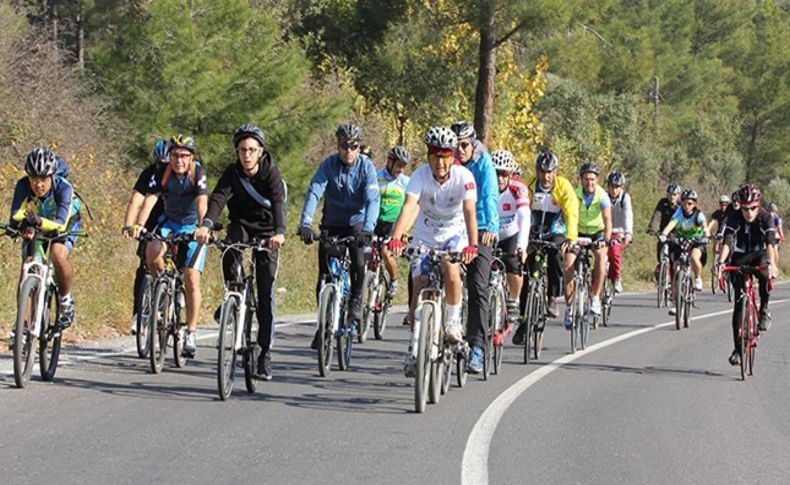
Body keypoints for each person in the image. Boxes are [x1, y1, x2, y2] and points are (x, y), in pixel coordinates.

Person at [195, 124, 286, 380]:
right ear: (237, 151)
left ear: (260, 151)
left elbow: (279, 202)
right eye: (243, 150)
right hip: (242, 225)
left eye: (252, 150)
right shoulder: (232, 172)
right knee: (229, 248)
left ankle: (265, 353)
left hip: (268, 232)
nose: (247, 155)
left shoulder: (271, 173)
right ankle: (232, 294)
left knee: (266, 290)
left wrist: (279, 232)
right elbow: (218, 198)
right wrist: (205, 224)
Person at [386, 126, 478, 377]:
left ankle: (451, 323)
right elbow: (409, 207)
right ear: (428, 156)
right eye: (435, 156)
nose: (440, 162)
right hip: (425, 234)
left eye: (445, 156)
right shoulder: (419, 175)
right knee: (419, 281)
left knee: (451, 268)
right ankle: (415, 348)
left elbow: (470, 211)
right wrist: (395, 239)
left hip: (454, 234)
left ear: (452, 157)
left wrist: (472, 245)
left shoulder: (464, 177)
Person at [298, 122, 380, 349]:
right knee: (323, 274)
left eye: (354, 146)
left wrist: (368, 229)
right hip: (332, 222)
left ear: (359, 147)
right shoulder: (328, 165)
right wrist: (305, 223)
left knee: (358, 260)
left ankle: (355, 302)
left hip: (357, 222)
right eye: (344, 146)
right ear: (338, 146)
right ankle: (322, 324)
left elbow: (373, 199)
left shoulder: (366, 167)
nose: (349, 151)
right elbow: (315, 191)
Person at [134, 134, 208, 359]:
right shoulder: (163, 173)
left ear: (191, 157)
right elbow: (150, 200)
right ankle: (162, 286)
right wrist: (138, 225)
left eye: (184, 156)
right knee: (151, 252)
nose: (179, 160)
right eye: (175, 155)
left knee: (191, 278)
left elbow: (202, 202)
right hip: (169, 224)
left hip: (192, 227)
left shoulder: (198, 173)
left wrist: (203, 227)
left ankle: (191, 332)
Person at [9, 147, 82, 329]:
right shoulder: (23, 185)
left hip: (65, 221)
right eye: (34, 178)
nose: (38, 184)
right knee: (28, 261)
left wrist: (38, 221)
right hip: (39, 221)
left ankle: (65, 301)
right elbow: (16, 214)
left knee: (58, 254)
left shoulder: (64, 187)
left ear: (52, 177)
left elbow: (60, 224)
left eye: (43, 179)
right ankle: (23, 325)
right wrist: (23, 224)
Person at [513, 150, 579, 344]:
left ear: (555, 171)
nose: (546, 176)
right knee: (526, 270)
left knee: (556, 254)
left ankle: (551, 297)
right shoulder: (530, 186)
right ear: (537, 171)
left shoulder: (563, 187)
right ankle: (524, 322)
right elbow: (521, 211)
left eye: (550, 172)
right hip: (534, 231)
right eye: (542, 171)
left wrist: (571, 237)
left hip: (556, 230)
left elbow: (572, 212)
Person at [451, 120, 498, 374]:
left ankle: (478, 346)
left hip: (481, 226)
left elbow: (490, 195)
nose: (460, 150)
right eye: (456, 145)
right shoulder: (449, 162)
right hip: (455, 224)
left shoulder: (484, 162)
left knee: (478, 285)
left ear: (474, 144)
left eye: (465, 145)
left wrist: (491, 225)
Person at [716, 184, 777, 366]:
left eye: (753, 208)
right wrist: (720, 262)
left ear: (758, 206)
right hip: (740, 256)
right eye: (745, 208)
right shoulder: (734, 217)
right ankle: (737, 349)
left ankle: (764, 309)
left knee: (765, 274)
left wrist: (772, 264)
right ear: (740, 206)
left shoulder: (766, 217)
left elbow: (770, 243)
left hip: (759, 254)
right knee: (738, 304)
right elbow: (727, 242)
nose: (749, 212)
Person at [122, 139, 170, 334]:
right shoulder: (149, 173)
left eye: (166, 164)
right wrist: (129, 224)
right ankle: (138, 314)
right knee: (143, 267)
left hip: (173, 219)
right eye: (160, 164)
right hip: (150, 221)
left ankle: (175, 296)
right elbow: (136, 200)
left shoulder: (181, 175)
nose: (163, 168)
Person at [491, 150, 530, 322]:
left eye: (503, 174)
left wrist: (522, 246)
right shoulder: (484, 185)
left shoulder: (518, 188)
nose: (499, 178)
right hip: (489, 233)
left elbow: (524, 216)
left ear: (510, 175)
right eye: (496, 173)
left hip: (510, 232)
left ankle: (513, 300)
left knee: (514, 263)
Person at [659, 189, 709, 315]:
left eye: (690, 203)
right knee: (676, 269)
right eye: (685, 203)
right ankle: (676, 303)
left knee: (693, 257)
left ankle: (697, 277)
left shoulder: (698, 214)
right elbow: (672, 223)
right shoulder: (679, 212)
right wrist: (664, 234)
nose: (687, 206)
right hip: (680, 241)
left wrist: (706, 233)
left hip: (696, 242)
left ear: (695, 204)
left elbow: (704, 225)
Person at [574, 162, 612, 316]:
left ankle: (596, 297)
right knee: (570, 258)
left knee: (601, 258)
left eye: (592, 179)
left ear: (597, 180)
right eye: (586, 179)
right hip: (579, 230)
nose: (589, 182)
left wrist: (606, 238)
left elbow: (607, 218)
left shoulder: (602, 195)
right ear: (581, 180)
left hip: (598, 232)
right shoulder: (575, 194)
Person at [375, 146, 411, 298]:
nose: (401, 170)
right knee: (368, 255)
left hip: (393, 225)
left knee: (386, 251)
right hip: (376, 222)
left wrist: (404, 231)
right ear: (390, 162)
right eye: (398, 165)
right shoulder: (376, 177)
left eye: (404, 166)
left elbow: (411, 208)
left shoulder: (406, 182)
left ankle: (394, 280)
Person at [606, 172, 633, 293]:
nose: (614, 190)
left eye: (617, 187)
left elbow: (628, 215)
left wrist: (628, 233)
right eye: (612, 186)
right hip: (604, 230)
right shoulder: (603, 196)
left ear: (621, 187)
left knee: (614, 252)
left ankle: (616, 278)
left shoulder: (624, 198)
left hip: (619, 231)